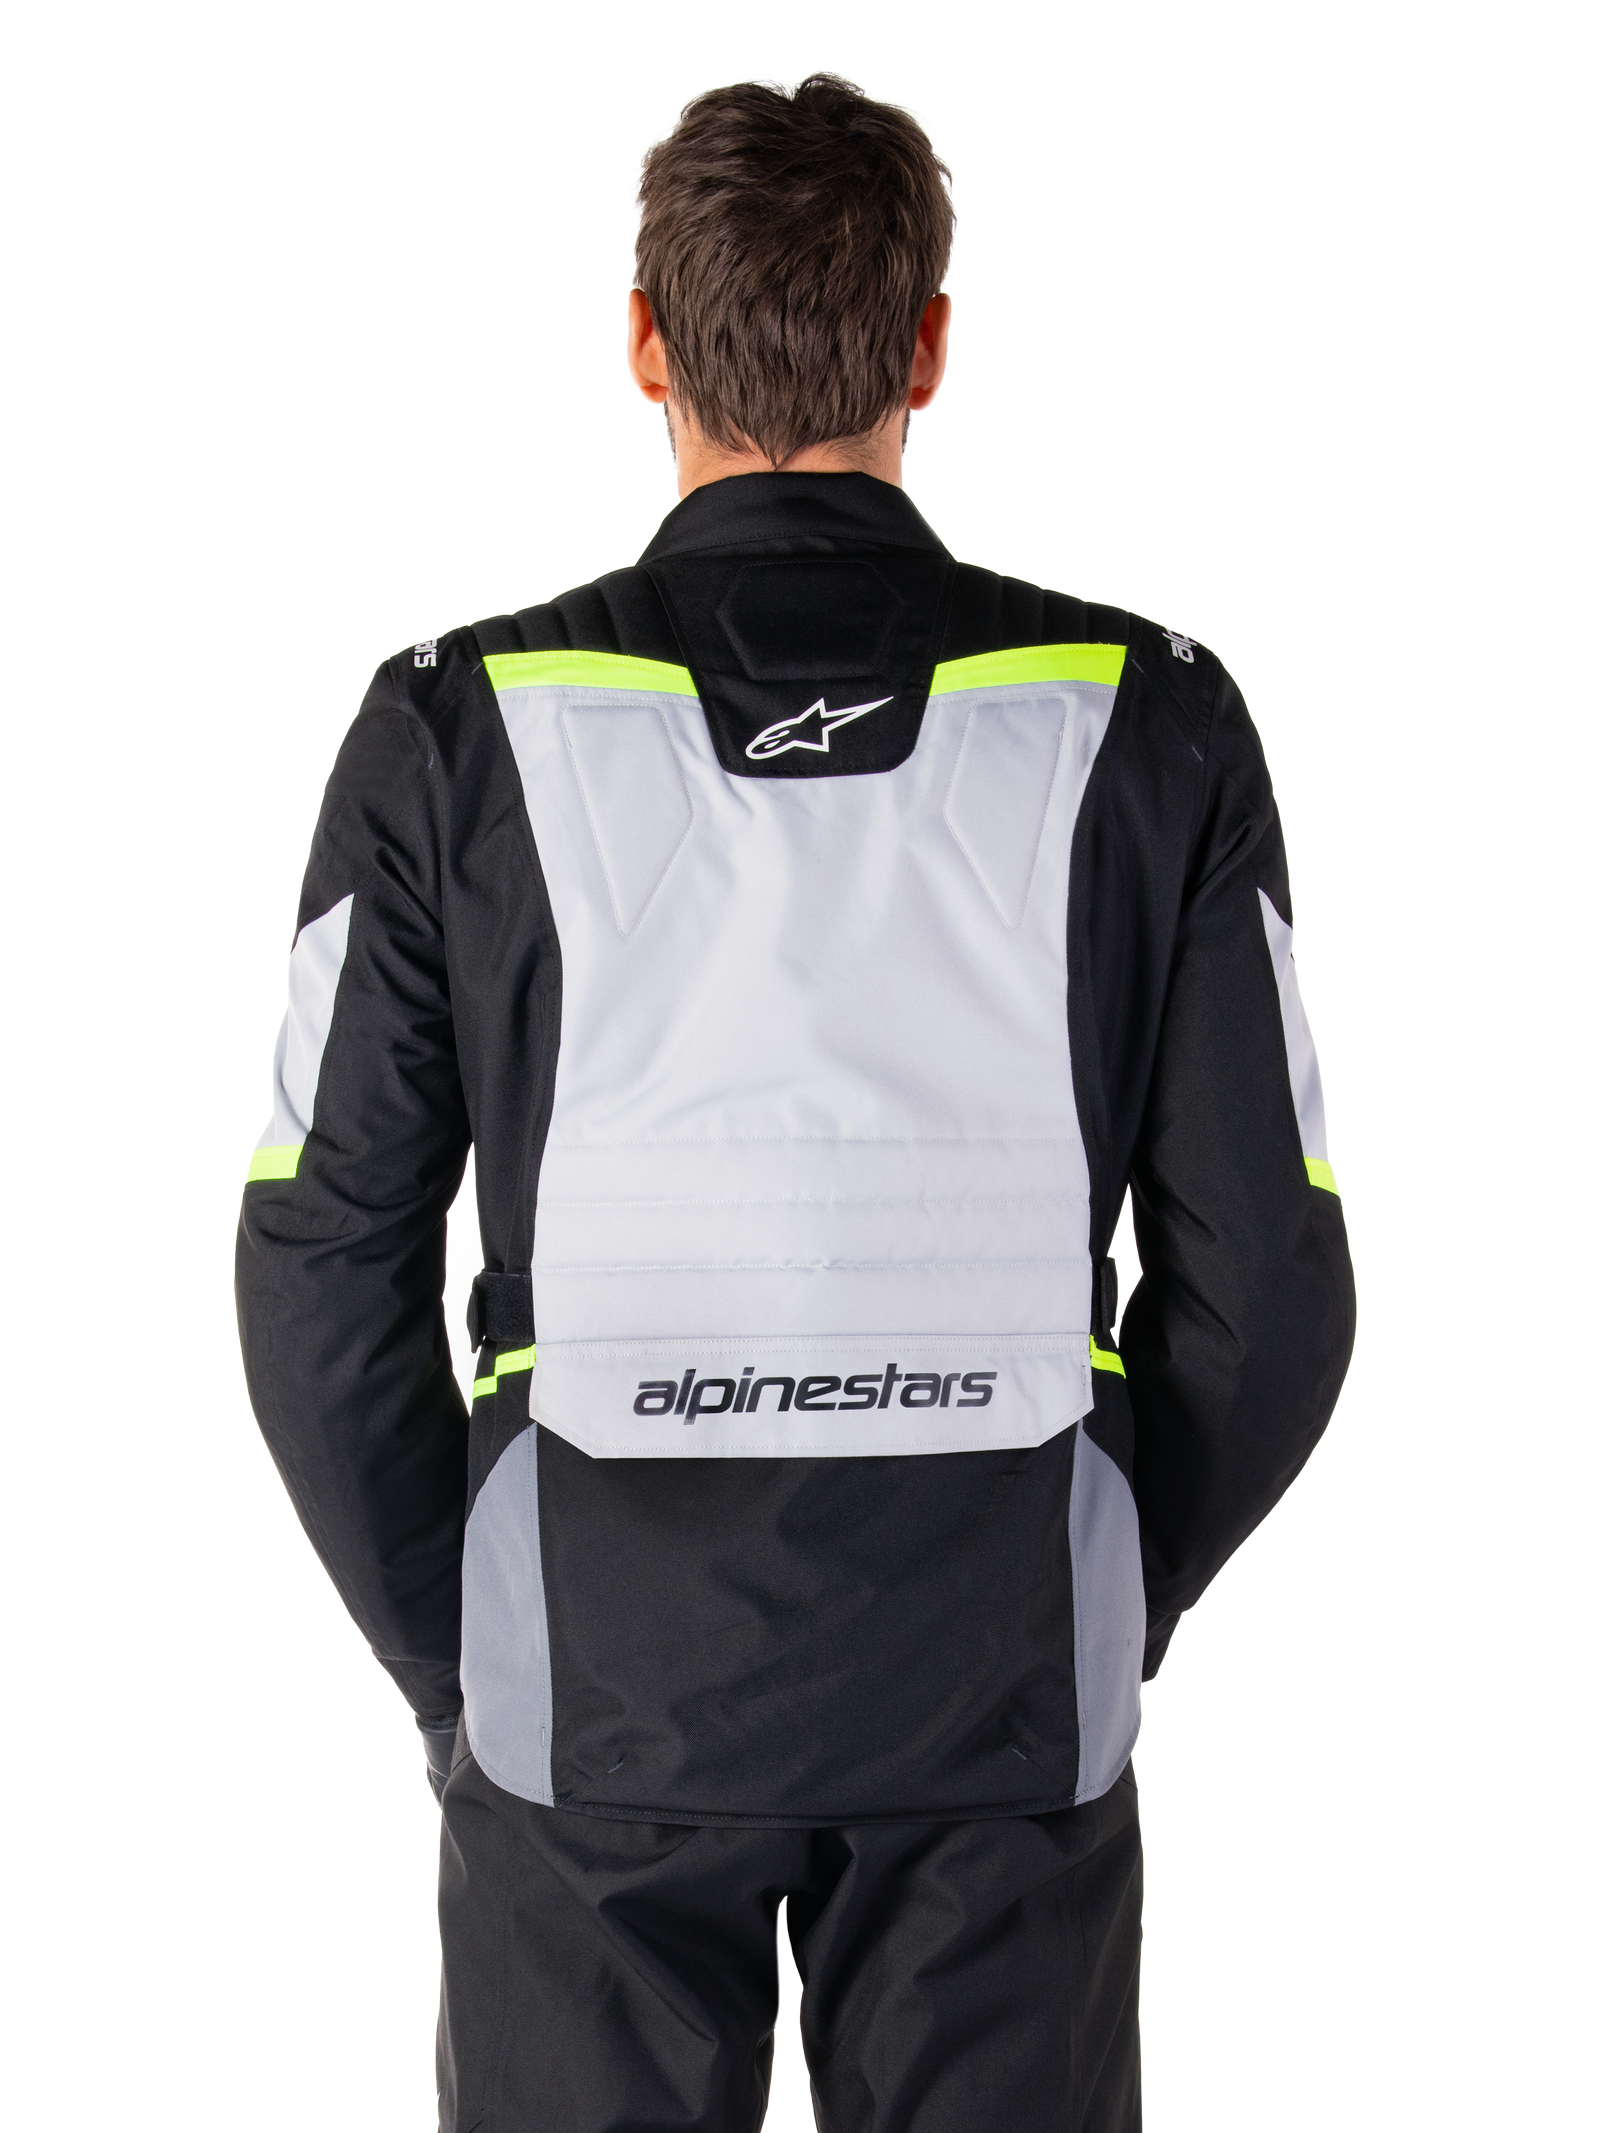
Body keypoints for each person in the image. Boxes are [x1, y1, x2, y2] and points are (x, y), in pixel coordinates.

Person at [234, 62, 1356, 2133]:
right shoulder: (1154, 715)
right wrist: (1096, 1590)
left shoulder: (450, 725)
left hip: (592, 1694)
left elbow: (314, 1267)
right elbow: (1275, 1284)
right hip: (1003, 1683)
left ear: (640, 340)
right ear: (932, 344)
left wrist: (469, 1662)